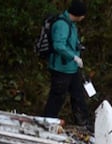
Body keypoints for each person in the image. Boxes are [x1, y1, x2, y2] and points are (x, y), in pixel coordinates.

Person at [42, 0, 90, 129]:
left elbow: (70, 40)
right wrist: (73, 57)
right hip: (61, 69)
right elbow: (59, 45)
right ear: (78, 14)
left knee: (78, 95)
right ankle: (48, 122)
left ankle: (83, 123)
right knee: (57, 98)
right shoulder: (62, 25)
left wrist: (78, 46)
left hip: (72, 69)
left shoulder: (71, 24)